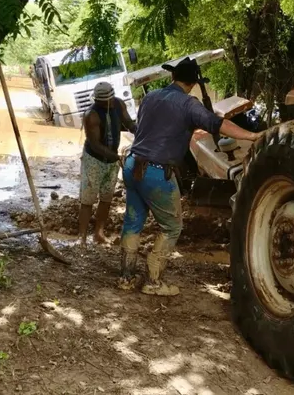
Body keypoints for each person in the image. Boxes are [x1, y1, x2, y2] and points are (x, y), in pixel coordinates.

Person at [118, 57, 261, 296]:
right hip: (155, 171)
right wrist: (252, 137)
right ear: (193, 83)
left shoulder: (150, 97)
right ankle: (153, 283)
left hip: (132, 165)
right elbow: (218, 124)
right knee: (172, 226)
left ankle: (125, 277)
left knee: (133, 221)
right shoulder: (188, 104)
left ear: (173, 77)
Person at [78, 82, 137, 246]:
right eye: (104, 102)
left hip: (111, 159)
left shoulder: (119, 104)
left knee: (106, 198)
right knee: (88, 199)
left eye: (110, 100)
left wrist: (138, 131)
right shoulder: (91, 115)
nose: (108, 103)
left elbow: (128, 122)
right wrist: (116, 156)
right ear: (97, 101)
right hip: (94, 160)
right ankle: (81, 237)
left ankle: (99, 233)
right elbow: (95, 144)